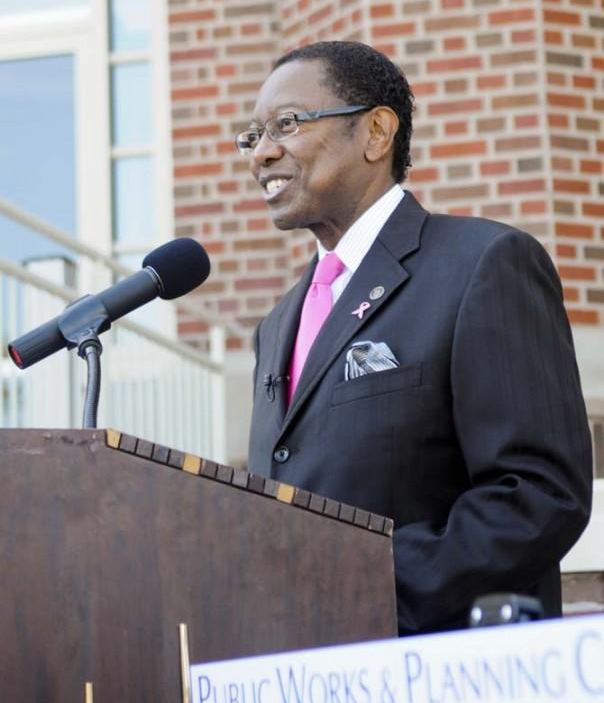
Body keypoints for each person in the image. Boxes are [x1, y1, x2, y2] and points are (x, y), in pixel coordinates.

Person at [241, 40, 592, 635]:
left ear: (377, 133)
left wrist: (367, 591)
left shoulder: (483, 265)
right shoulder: (276, 327)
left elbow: (537, 494)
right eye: (251, 136)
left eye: (287, 124)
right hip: (303, 677)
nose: (262, 153)